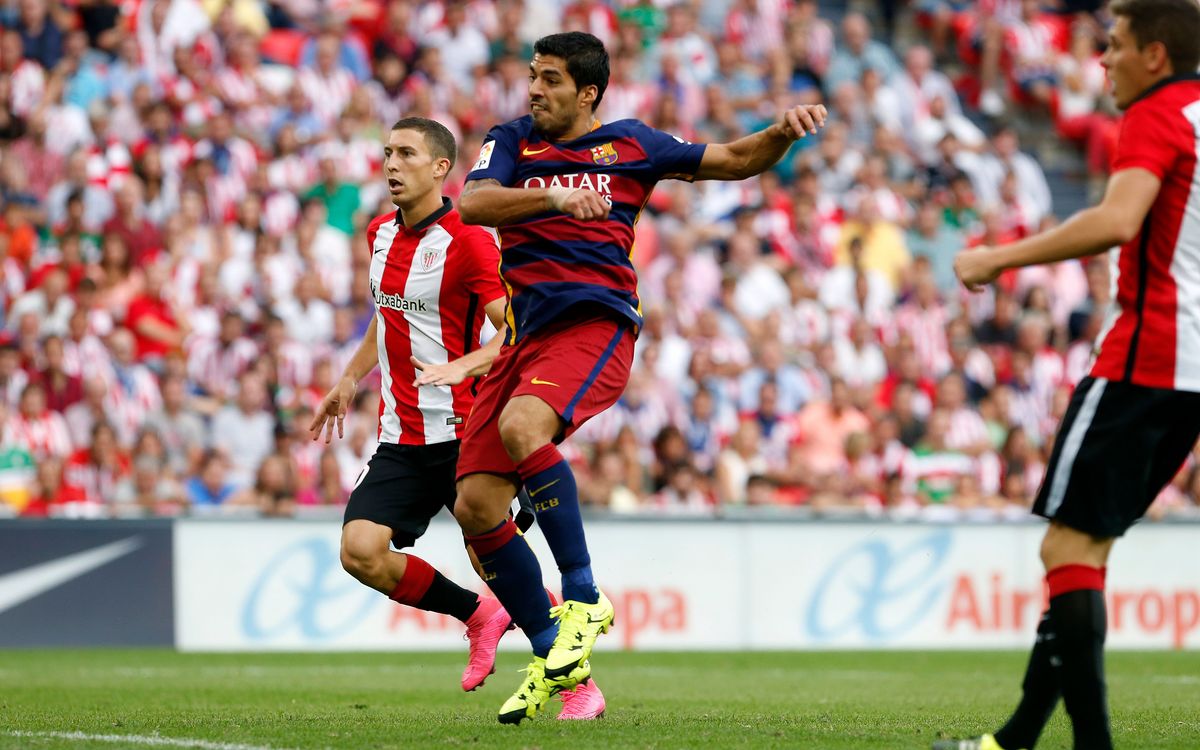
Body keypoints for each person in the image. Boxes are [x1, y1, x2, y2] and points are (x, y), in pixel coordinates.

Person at [453, 30, 826, 723]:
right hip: (523, 338)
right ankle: (568, 671)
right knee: (474, 505)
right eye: (533, 76)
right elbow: (473, 205)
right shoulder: (511, 141)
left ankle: (583, 597)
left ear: (587, 92)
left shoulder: (632, 145)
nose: (534, 90)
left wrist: (780, 133)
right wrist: (555, 199)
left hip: (593, 323)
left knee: (523, 426)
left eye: (551, 79)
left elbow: (737, 158)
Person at [936, 3, 1200, 749]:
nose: (1102, 61)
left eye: (1114, 46)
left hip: (1144, 358)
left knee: (1067, 552)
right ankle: (1014, 740)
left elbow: (1117, 221)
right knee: (1085, 550)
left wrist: (998, 257)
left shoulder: (1157, 113)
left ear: (1155, 55)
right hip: (1192, 376)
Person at [308, 117, 605, 719]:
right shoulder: (378, 233)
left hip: (467, 432)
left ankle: (579, 688)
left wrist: (462, 366)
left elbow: (514, 330)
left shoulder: (468, 241)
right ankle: (476, 615)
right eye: (388, 153)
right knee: (360, 551)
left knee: (497, 565)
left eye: (406, 154)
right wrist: (348, 379)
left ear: (441, 168)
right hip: (402, 435)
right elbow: (388, 316)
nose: (392, 164)